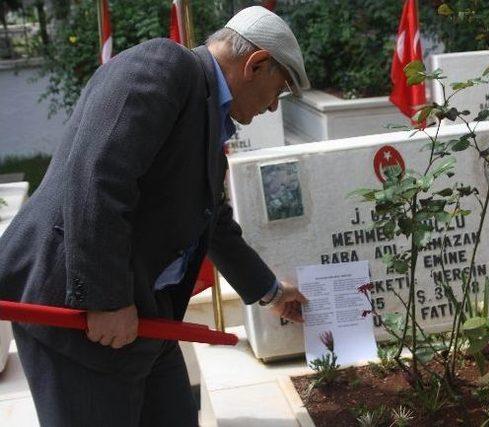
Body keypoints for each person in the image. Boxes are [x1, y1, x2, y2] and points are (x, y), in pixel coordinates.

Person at [0, 6, 309, 427]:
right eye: (282, 88)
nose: (275, 106)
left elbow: (211, 221)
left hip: (145, 314)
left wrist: (271, 293)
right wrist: (105, 299)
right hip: (81, 317)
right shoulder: (165, 65)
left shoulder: (206, 110)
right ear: (256, 64)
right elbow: (98, 177)